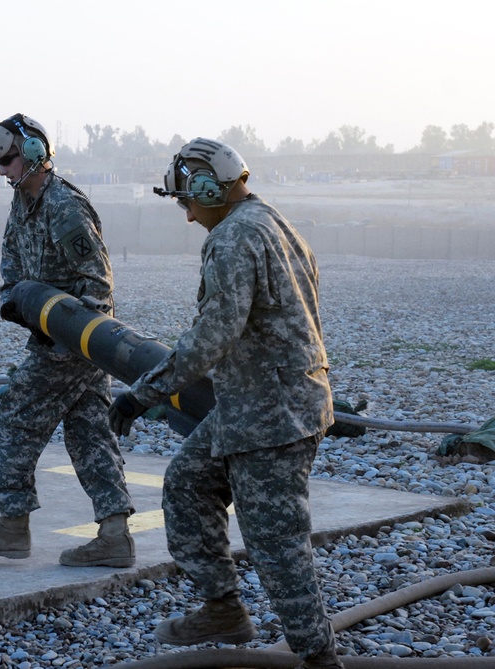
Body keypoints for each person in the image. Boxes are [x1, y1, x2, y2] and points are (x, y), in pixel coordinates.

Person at [108, 138, 343, 668]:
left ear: (209, 188)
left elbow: (214, 333)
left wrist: (141, 394)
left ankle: (320, 659)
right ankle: (223, 607)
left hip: (272, 417)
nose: (188, 216)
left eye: (186, 202)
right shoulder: (272, 222)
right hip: (258, 403)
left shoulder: (234, 238)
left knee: (278, 548)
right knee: (189, 480)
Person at [0, 113, 135, 568]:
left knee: (14, 420)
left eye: (9, 160)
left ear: (33, 153)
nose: (3, 171)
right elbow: (12, 259)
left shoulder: (64, 206)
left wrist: (70, 341)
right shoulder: (24, 201)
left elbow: (99, 285)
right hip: (56, 335)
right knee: (90, 431)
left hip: (72, 341)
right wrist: (15, 300)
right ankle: (115, 535)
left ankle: (13, 527)